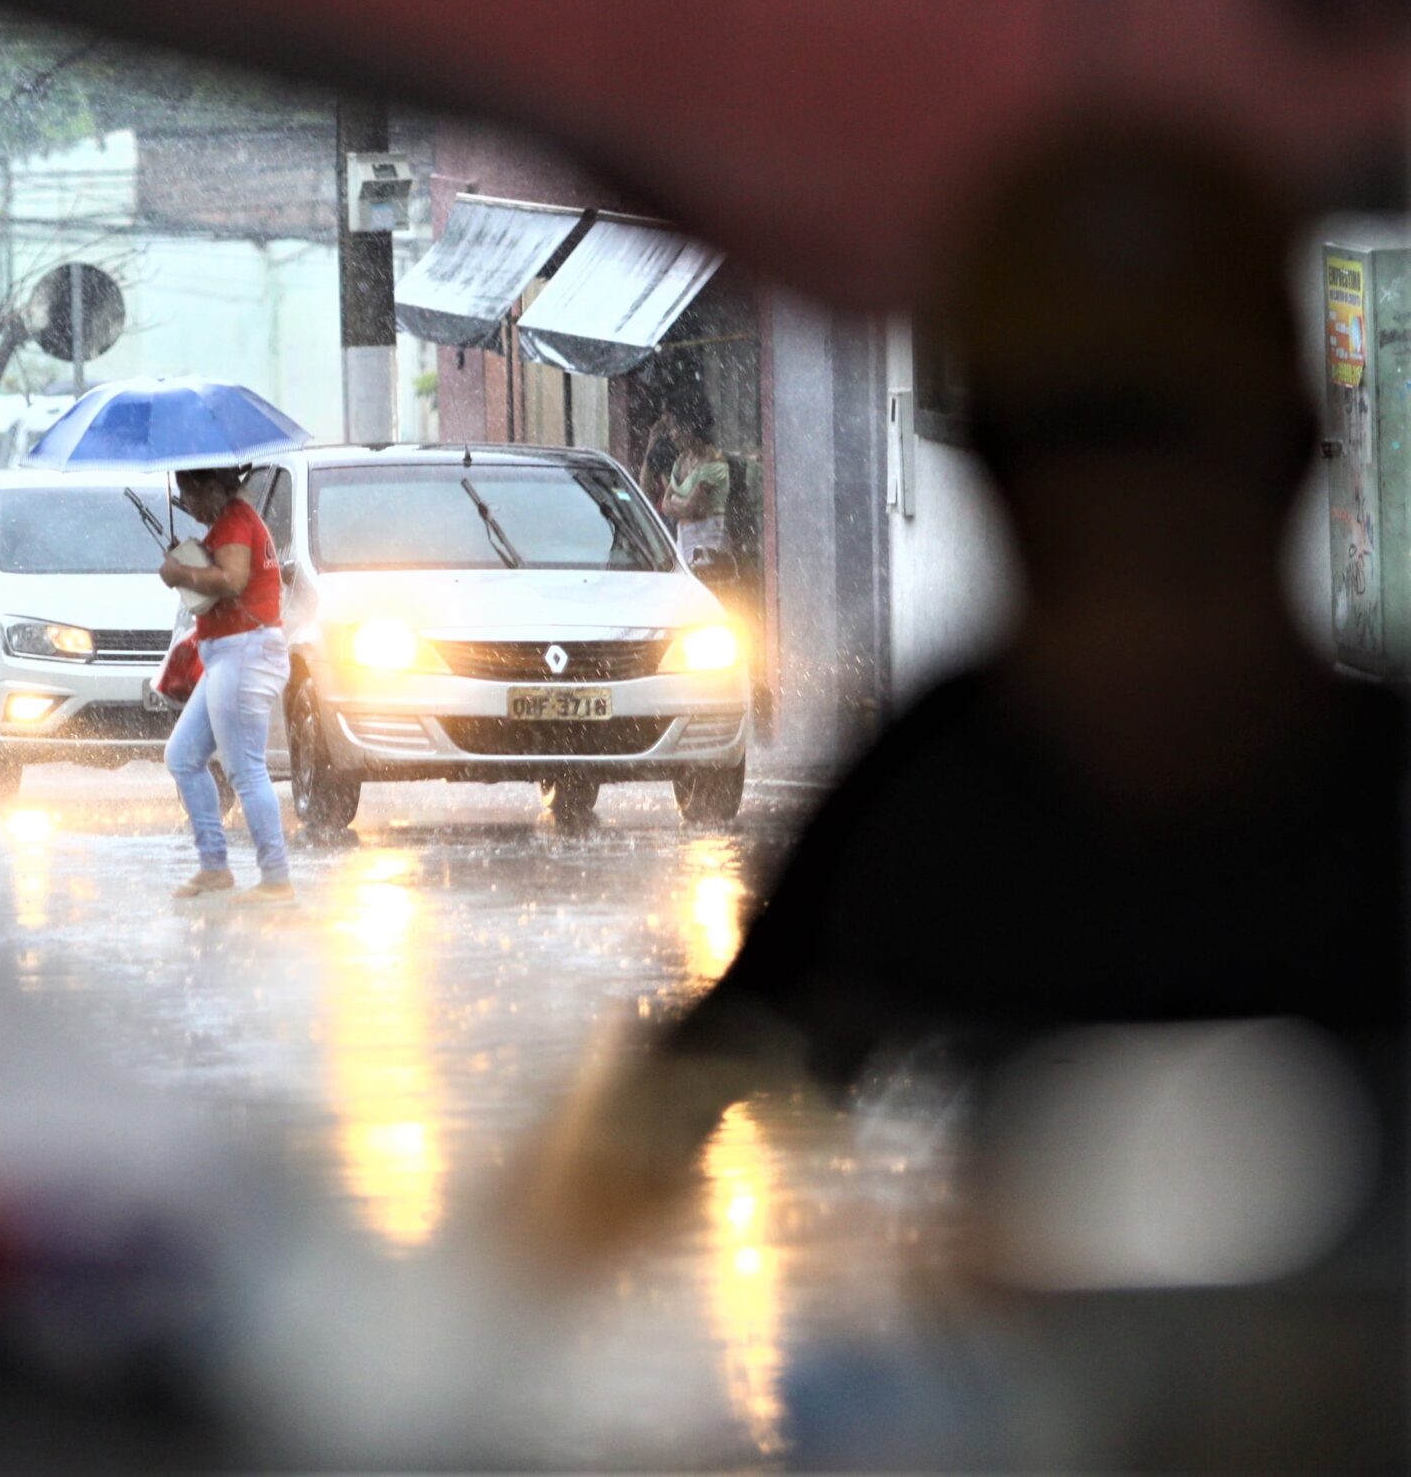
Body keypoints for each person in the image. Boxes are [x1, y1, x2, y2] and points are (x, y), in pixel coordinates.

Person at [505, 124, 1405, 1464]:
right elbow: (666, 1121)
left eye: (1167, 458)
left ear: (1278, 459)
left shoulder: (1369, 795)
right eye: (1071, 458)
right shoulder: (936, 796)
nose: (1128, 530)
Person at [157, 466, 292, 904]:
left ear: (211, 486)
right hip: (227, 655)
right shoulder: (229, 523)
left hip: (244, 654)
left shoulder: (235, 519)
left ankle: (276, 878)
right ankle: (214, 866)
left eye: (189, 493)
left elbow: (232, 579)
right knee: (182, 755)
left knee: (246, 769)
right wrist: (192, 559)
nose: (187, 505)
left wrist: (182, 575)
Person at [640, 400, 732, 563]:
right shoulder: (681, 460)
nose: (672, 435)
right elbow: (666, 506)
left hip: (707, 546)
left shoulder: (714, 463)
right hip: (682, 543)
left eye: (676, 428)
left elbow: (692, 508)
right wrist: (680, 504)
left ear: (690, 429)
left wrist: (675, 503)